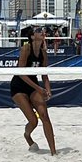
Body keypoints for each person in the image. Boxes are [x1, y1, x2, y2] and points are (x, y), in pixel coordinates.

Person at [10, 26, 57, 154]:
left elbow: (44, 74)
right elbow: (21, 73)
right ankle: (27, 136)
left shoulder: (43, 53)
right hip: (18, 86)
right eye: (38, 31)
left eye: (42, 31)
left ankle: (53, 151)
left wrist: (48, 90)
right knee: (33, 121)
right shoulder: (26, 48)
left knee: (44, 115)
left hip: (33, 85)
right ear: (31, 36)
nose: (42, 32)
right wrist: (39, 88)